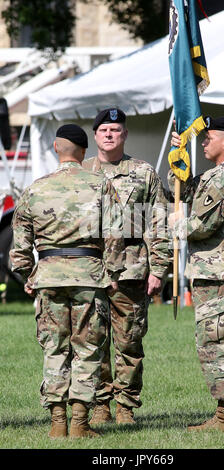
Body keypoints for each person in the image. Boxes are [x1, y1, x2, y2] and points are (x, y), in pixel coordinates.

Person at [10, 124, 125, 439]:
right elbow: (115, 234)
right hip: (89, 275)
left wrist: (28, 274)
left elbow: (19, 245)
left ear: (56, 149)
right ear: (84, 151)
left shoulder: (34, 188)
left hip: (48, 276)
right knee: (87, 348)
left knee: (54, 348)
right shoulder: (100, 185)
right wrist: (112, 273)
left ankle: (57, 422)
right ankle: (79, 423)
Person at [83, 108, 170, 425]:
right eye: (103, 129)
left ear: (125, 134)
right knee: (93, 341)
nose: (108, 134)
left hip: (131, 271)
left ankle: (126, 408)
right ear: (95, 136)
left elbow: (158, 223)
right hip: (89, 272)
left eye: (115, 129)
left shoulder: (143, 172)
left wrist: (159, 268)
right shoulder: (80, 172)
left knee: (129, 342)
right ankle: (100, 404)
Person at [168, 115, 224, 432]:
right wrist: (178, 159)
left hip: (220, 275)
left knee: (217, 344)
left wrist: (173, 224)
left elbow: (199, 226)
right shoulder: (223, 175)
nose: (203, 141)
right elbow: (186, 189)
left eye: (209, 137)